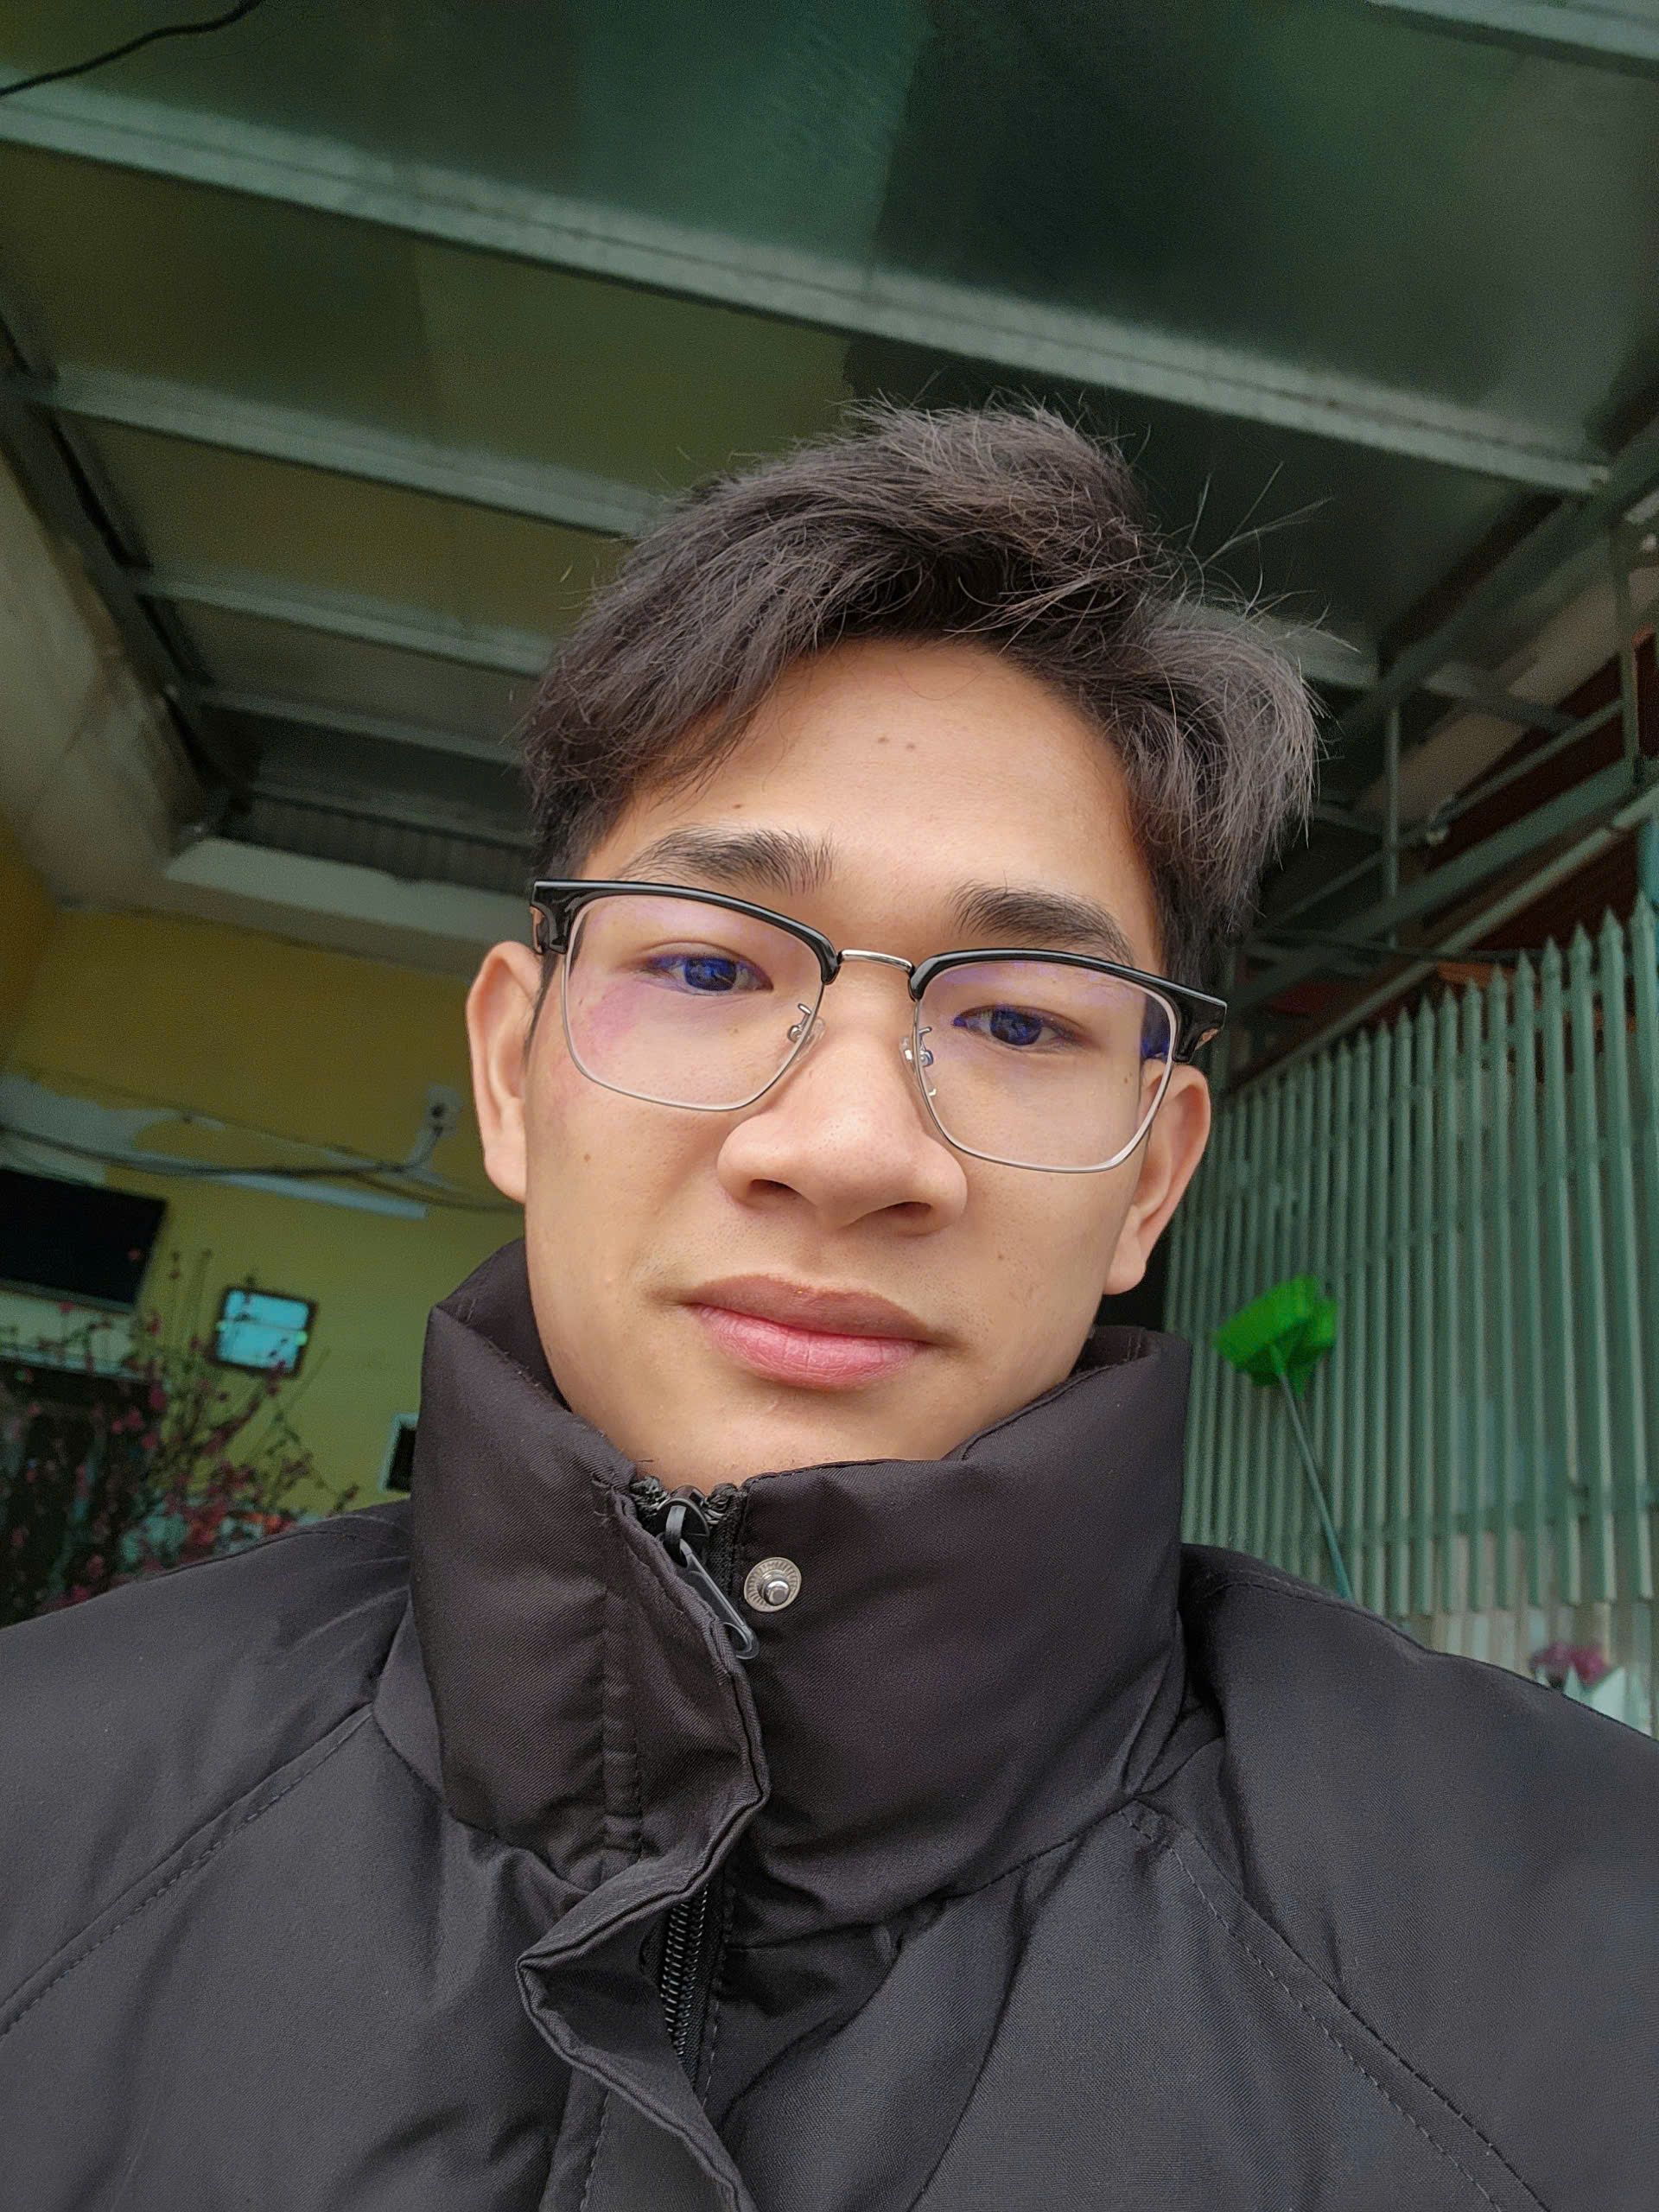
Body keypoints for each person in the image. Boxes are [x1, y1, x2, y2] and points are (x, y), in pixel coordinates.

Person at [2, 409, 1654, 2212]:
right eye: (709, 964)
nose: (850, 1145)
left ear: (1154, 1176)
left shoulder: (1581, 1977)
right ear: (511, 1072)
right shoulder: (41, 1809)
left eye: (1017, 1019)